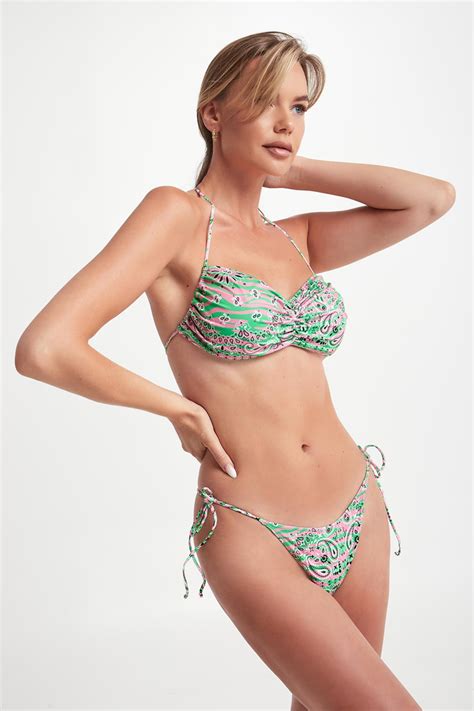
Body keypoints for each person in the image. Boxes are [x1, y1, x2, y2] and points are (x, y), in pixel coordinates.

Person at [15, 30, 455, 711]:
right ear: (213, 112)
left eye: (299, 107)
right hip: (254, 525)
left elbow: (432, 199)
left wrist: (291, 170)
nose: (286, 122)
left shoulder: (297, 238)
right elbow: (45, 347)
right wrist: (177, 407)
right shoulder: (176, 217)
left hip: (356, 504)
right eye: (264, 100)